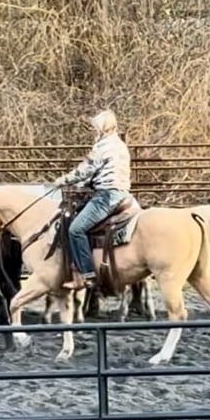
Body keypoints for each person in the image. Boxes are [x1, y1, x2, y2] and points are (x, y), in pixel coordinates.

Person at [52, 109, 132, 290]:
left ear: (103, 127)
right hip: (122, 192)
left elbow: (85, 170)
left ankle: (87, 274)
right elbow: (98, 172)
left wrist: (62, 181)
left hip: (106, 195)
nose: (94, 130)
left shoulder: (102, 147)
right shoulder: (119, 145)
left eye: (96, 126)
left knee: (75, 229)